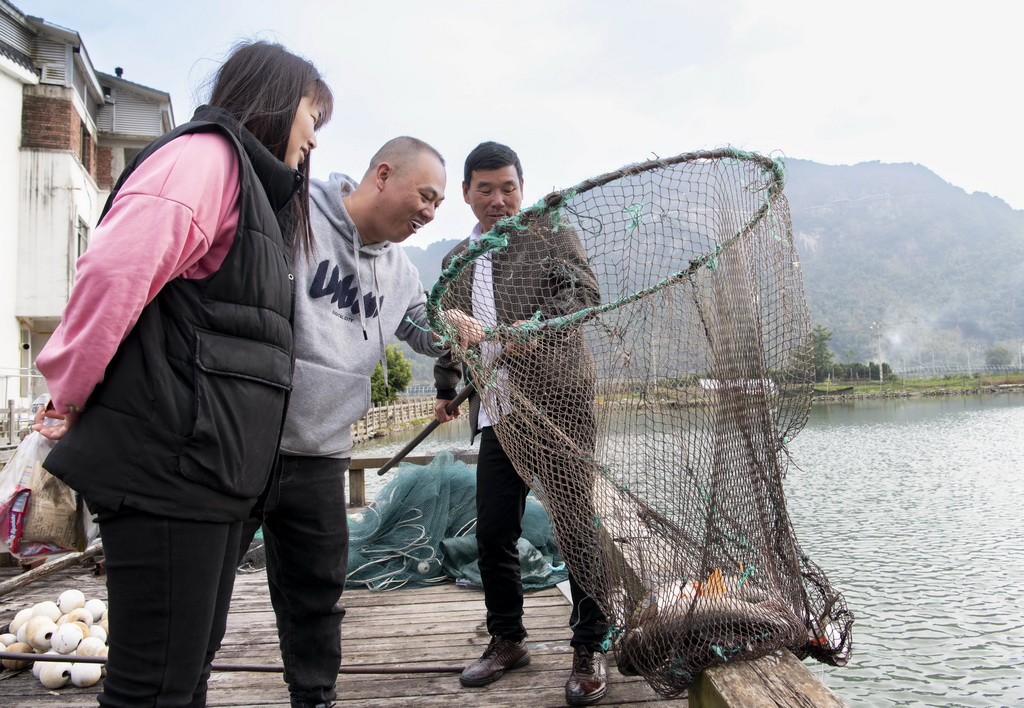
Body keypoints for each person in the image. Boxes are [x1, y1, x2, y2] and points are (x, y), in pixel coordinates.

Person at [32, 41, 333, 707]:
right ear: (279, 101)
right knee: (153, 685)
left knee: (187, 669)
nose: (314, 138)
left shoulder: (258, 194)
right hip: (169, 469)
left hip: (214, 476)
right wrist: (67, 392)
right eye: (314, 116)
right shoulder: (205, 157)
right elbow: (114, 273)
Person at [238, 136, 480, 708]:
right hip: (247, 438)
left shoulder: (399, 269)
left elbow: (420, 326)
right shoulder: (296, 216)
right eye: (424, 196)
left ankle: (314, 696)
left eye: (438, 205)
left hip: (323, 450)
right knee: (203, 586)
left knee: (318, 591)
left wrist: (454, 328)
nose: (429, 212)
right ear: (383, 174)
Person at [433, 141, 610, 706]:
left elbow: (582, 295)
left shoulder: (550, 234)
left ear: (522, 188)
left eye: (507, 187)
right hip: (497, 411)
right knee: (492, 532)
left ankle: (590, 647)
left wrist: (510, 335)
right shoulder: (454, 259)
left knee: (575, 524)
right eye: (485, 188)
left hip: (558, 405)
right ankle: (507, 639)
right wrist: (445, 390)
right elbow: (450, 332)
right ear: (466, 193)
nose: (498, 199)